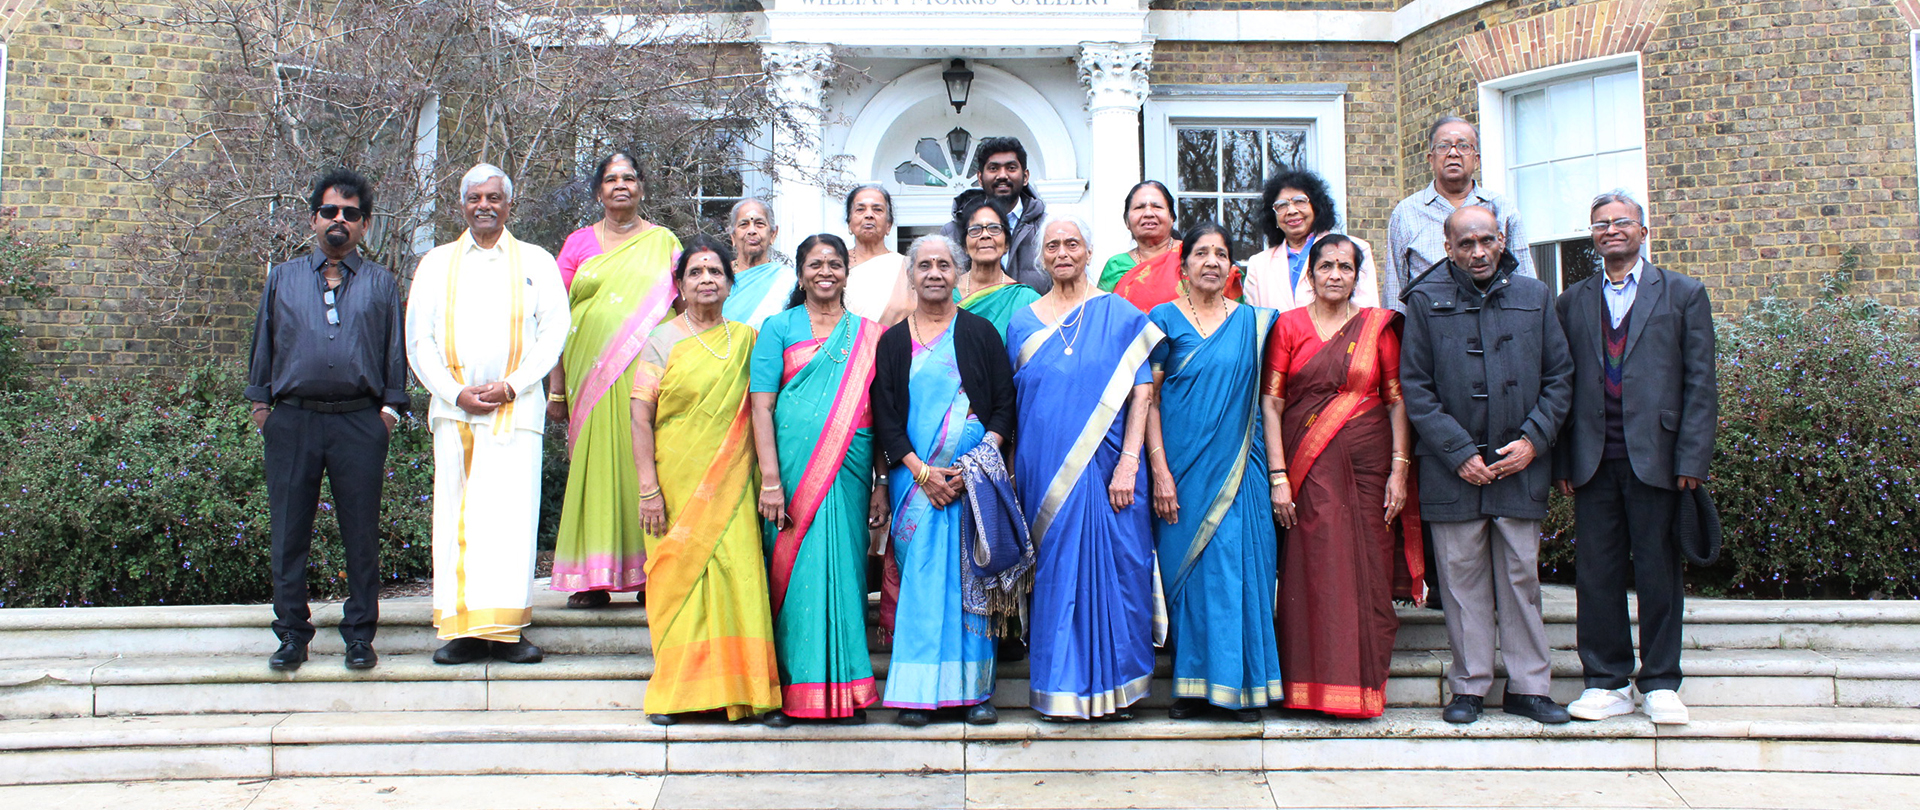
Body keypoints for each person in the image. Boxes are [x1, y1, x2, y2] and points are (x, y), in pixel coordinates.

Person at [1399, 205, 1573, 725]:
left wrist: (1534, 441)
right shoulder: (1425, 302)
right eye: (1465, 244)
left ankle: (1529, 687)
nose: (1477, 252)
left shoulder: (1536, 296)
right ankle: (1470, 687)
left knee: (1521, 577)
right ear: (1448, 248)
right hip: (1453, 471)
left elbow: (1560, 378)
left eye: (1486, 241)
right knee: (1460, 580)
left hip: (1520, 465)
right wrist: (1458, 453)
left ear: (1502, 241)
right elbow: (1417, 388)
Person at [1556, 191, 1717, 727]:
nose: (1611, 230)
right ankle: (1605, 681)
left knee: (1658, 571)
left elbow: (1700, 383)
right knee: (1596, 573)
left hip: (1661, 459)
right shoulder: (1571, 300)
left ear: (1643, 232)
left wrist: (1692, 458)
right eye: (1600, 224)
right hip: (1593, 458)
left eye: (1622, 221)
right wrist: (1563, 462)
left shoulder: (1684, 293)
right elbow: (1560, 383)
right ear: (1593, 237)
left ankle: (1661, 682)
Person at [407, 163, 571, 665]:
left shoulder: (537, 262)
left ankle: (506, 631)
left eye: (493, 197)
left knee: (510, 520)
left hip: (515, 412)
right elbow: (419, 339)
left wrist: (511, 386)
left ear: (508, 204)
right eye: (475, 197)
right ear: (462, 205)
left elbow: (554, 331)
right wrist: (455, 393)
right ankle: (461, 630)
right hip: (455, 414)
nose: (484, 205)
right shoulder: (436, 263)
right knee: (457, 520)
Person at [246, 168, 407, 672]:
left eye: (351, 214)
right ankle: (292, 633)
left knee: (360, 533)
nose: (340, 220)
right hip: (292, 422)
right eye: (331, 211)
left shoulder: (382, 283)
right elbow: (263, 349)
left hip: (360, 424)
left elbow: (393, 355)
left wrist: (388, 413)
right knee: (289, 532)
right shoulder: (283, 278)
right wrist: (261, 411)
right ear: (314, 218)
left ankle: (359, 635)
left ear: (365, 225)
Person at [1006, 215, 1162, 721]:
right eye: (1052, 245)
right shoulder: (1023, 322)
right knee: (1056, 578)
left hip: (1112, 468)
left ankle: (1119, 691)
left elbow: (1142, 391)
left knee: (1121, 572)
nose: (1062, 252)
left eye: (1072, 242)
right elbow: (1015, 403)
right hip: (1043, 471)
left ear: (1089, 252)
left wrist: (1131, 463)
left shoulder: (1119, 314)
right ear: (1041, 257)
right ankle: (1060, 690)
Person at [1264, 234, 1424, 719]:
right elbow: (1272, 405)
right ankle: (1307, 687)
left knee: (1366, 574)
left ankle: (1363, 688)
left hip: (1371, 471)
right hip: (1306, 470)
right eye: (1326, 266)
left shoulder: (1377, 328)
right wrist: (1278, 477)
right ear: (1309, 275)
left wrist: (1400, 471)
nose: (1335, 274)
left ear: (1358, 275)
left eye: (1345, 267)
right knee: (1312, 575)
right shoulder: (1287, 327)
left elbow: (1398, 402)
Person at [630, 236, 782, 725]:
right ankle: (678, 693)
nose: (706, 281)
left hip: (735, 481)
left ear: (730, 282)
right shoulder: (660, 341)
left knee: (738, 576)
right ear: (680, 285)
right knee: (680, 581)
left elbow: (764, 410)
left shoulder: (747, 340)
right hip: (675, 484)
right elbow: (639, 419)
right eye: (695, 273)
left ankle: (747, 689)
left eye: (715, 272)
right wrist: (648, 488)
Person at [870, 233, 1018, 727]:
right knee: (921, 584)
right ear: (911, 275)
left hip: (973, 482)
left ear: (957, 274)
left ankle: (974, 693)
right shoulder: (892, 341)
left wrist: (979, 460)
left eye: (943, 264)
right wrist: (921, 471)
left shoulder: (979, 333)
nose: (934, 272)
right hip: (914, 485)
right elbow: (885, 415)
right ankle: (915, 695)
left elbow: (1003, 404)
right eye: (924, 265)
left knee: (971, 582)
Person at [1142, 222, 1281, 722]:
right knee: (1189, 576)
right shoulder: (1162, 320)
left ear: (1232, 268)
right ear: (1182, 268)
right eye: (1201, 253)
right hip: (1179, 470)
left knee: (1238, 571)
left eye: (1221, 254)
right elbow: (1149, 401)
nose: (1212, 262)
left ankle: (1240, 687)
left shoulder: (1255, 324)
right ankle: (1192, 686)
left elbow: (1271, 401)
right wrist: (1159, 470)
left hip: (1241, 468)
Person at [749, 233, 884, 727]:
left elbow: (883, 412)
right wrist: (769, 479)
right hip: (789, 473)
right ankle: (790, 693)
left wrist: (883, 481)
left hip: (850, 471)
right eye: (814, 264)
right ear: (801, 273)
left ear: (847, 272)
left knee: (845, 576)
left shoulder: (869, 335)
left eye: (834, 264)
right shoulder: (777, 328)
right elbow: (761, 406)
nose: (825, 272)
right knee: (793, 578)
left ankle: (848, 693)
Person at [548, 150, 682, 608]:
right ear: (599, 191)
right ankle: (592, 577)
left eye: (628, 177)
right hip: (588, 375)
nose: (620, 185)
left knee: (646, 466)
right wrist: (556, 388)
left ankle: (651, 574)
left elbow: (684, 312)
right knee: (594, 468)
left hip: (648, 375)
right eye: (610, 179)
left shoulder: (665, 242)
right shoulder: (578, 243)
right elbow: (553, 318)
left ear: (642, 187)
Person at [1385, 116, 1535, 312]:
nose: (1453, 153)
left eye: (1463, 146)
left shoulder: (1502, 208)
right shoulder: (1406, 213)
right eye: (1443, 146)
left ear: (1477, 159)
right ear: (1431, 159)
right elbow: (1395, 288)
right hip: (1432, 326)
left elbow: (1525, 280)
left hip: (1496, 322)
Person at [1243, 169, 1378, 311]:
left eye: (1300, 201)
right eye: (1282, 205)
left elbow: (1367, 315)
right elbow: (1256, 324)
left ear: (1316, 207)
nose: (1291, 211)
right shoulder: (1258, 265)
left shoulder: (1354, 249)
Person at [941, 137, 1051, 293]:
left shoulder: (1046, 229)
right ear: (979, 177)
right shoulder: (953, 232)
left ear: (1025, 177)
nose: (1002, 175)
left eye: (1011, 168)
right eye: (993, 168)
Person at [952, 197, 1042, 336]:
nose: (985, 235)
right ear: (964, 246)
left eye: (994, 228)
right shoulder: (947, 295)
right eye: (975, 230)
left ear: (1007, 245)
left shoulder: (1026, 299)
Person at [842, 184, 912, 327]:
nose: (869, 215)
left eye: (877, 209)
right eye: (860, 209)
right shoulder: (835, 266)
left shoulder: (908, 267)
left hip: (895, 347)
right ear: (849, 223)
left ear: (889, 225)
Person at [726, 198, 797, 330]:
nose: (751, 231)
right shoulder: (719, 277)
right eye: (743, 224)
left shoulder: (788, 280)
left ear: (773, 234)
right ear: (733, 236)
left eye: (759, 224)